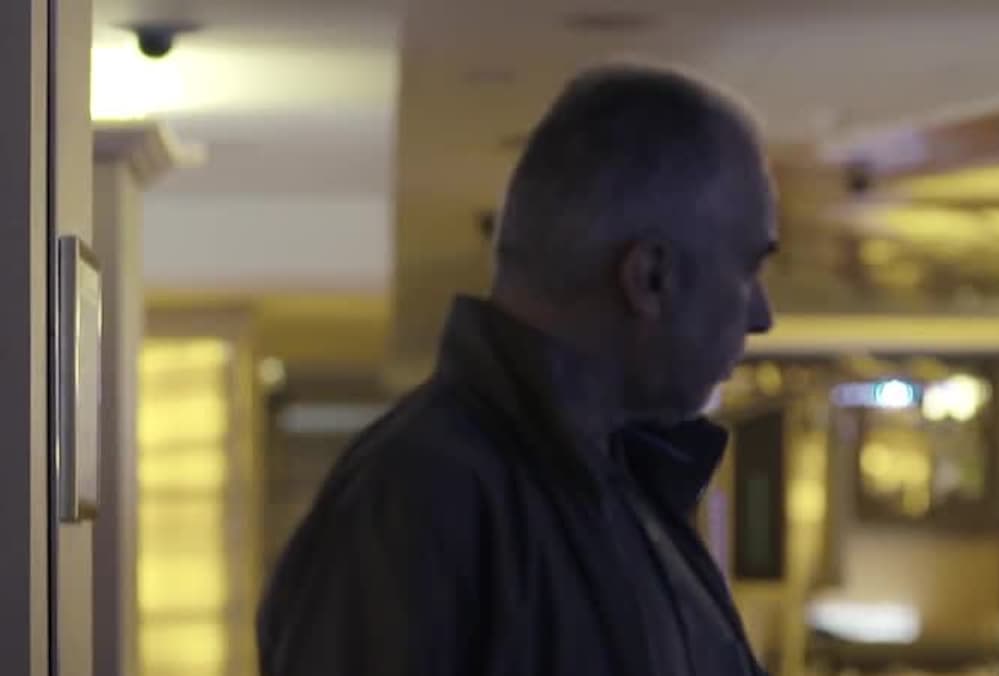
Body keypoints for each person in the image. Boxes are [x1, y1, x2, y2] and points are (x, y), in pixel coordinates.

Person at [257, 63, 778, 676]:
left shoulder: (627, 493)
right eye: (748, 271)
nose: (761, 315)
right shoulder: (419, 496)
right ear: (650, 276)